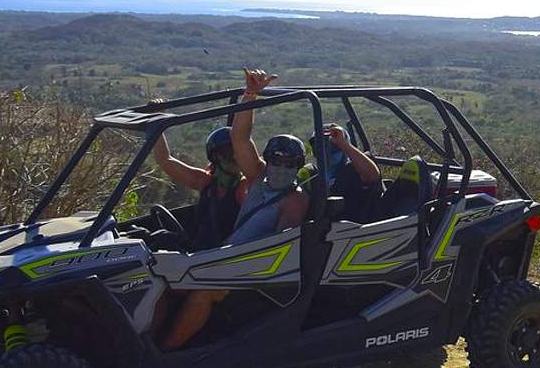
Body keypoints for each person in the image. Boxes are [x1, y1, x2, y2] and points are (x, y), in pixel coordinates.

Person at [157, 68, 309, 352]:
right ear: (268, 160)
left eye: (290, 164)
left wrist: (236, 264)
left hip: (252, 268)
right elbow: (240, 139)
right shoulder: (258, 178)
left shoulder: (295, 199)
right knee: (160, 284)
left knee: (201, 293)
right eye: (276, 161)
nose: (282, 168)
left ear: (298, 166)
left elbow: (281, 243)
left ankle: (165, 354)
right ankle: (143, 346)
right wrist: (250, 95)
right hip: (225, 258)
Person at [148, 122, 248, 251]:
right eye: (229, 152)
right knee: (150, 236)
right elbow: (164, 160)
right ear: (216, 157)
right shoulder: (206, 181)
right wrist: (157, 125)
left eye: (238, 152)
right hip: (198, 249)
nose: (235, 157)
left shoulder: (244, 187)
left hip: (221, 255)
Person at [301, 123, 382, 222]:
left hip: (354, 229)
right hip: (320, 230)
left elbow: (372, 176)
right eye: (319, 145)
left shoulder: (353, 169)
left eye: (332, 145)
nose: (326, 149)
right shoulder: (313, 177)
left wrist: (343, 144)